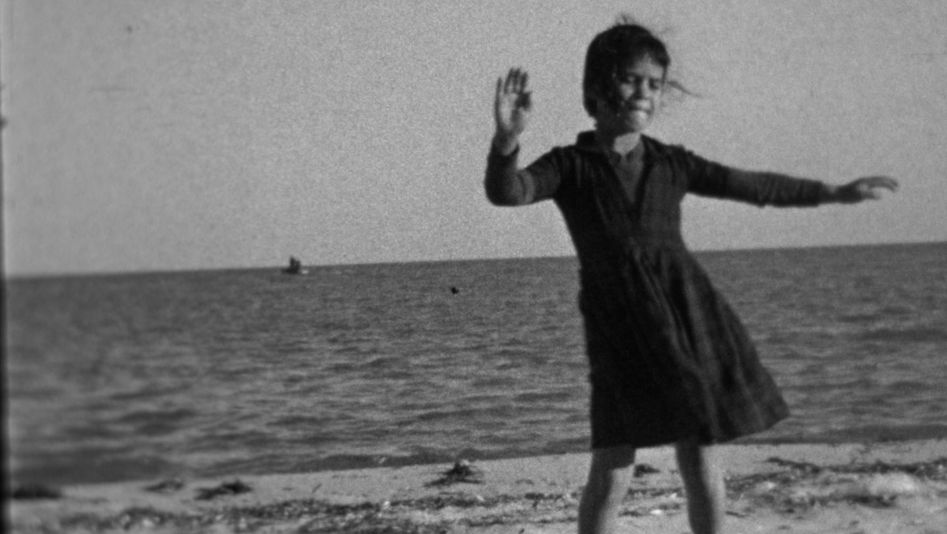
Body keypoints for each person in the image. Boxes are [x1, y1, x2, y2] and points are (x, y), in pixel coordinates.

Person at [483, 19, 898, 534]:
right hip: (617, 326)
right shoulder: (571, 165)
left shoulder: (671, 163)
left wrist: (831, 192)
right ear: (597, 87)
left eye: (654, 84)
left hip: (688, 316)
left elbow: (749, 185)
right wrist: (506, 141)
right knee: (612, 466)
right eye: (633, 79)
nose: (644, 92)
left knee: (699, 453)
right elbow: (510, 192)